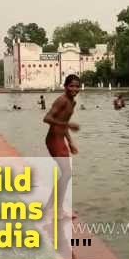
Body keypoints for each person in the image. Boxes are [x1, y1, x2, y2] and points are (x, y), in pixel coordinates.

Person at [43, 74, 80, 220]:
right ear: (65, 86)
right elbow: (47, 118)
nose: (74, 89)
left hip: (61, 140)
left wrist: (70, 142)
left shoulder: (73, 102)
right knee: (66, 173)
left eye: (77, 86)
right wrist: (68, 125)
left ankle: (51, 207)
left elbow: (63, 121)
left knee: (65, 174)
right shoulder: (62, 100)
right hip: (53, 140)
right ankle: (56, 210)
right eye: (71, 86)